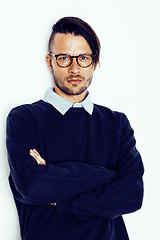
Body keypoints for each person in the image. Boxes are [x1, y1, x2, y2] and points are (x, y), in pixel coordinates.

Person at [6, 17, 144, 240]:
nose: (74, 68)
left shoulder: (116, 123)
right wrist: (108, 175)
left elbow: (132, 195)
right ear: (50, 62)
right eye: (64, 58)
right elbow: (31, 185)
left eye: (83, 58)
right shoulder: (24, 118)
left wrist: (61, 199)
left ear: (95, 63)